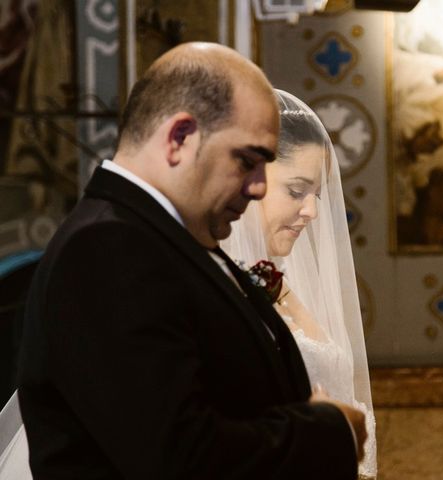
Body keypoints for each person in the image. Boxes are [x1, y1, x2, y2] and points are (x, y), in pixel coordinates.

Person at [6, 42, 366, 479]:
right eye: (247, 161)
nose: (257, 187)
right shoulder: (107, 248)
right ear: (179, 138)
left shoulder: (173, 242)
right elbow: (176, 456)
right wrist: (327, 431)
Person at [221, 90, 377, 479]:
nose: (311, 212)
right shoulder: (215, 292)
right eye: (296, 191)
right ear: (248, 179)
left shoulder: (280, 286)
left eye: (316, 195)